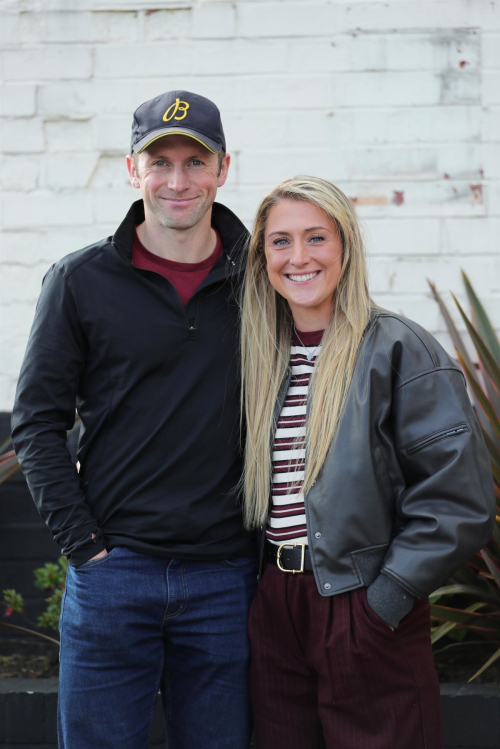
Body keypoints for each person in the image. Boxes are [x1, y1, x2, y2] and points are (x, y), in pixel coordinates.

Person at [11, 90, 258, 749]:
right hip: (115, 571)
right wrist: (84, 548)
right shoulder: (80, 280)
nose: (177, 181)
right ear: (132, 170)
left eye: (195, 162)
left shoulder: (262, 278)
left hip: (225, 577)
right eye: (160, 162)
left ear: (223, 169)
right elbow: (36, 423)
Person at [240, 175, 496, 749]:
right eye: (280, 241)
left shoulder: (398, 349)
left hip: (362, 600)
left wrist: (387, 598)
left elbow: (460, 499)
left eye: (316, 238)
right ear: (262, 255)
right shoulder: (256, 356)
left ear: (345, 247)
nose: (298, 257)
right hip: (274, 604)